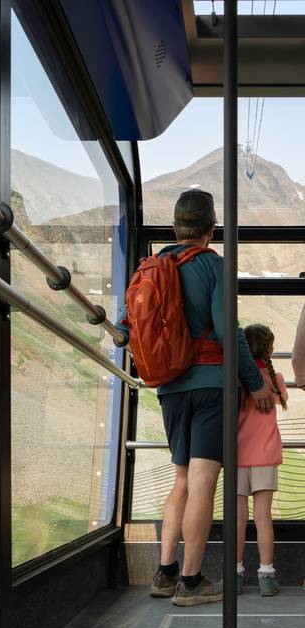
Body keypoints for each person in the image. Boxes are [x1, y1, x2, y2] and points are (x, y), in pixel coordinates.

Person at [115, 189, 275, 606]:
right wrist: (255, 383)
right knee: (205, 479)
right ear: (211, 229)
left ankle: (165, 573)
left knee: (182, 478)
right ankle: (191, 581)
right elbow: (228, 331)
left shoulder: (150, 267)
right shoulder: (213, 265)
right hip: (210, 386)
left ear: (174, 227)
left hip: (169, 388)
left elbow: (126, 326)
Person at [236, 324, 287, 597]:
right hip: (265, 456)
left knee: (238, 518)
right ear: (269, 349)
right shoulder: (274, 378)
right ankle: (266, 577)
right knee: (263, 517)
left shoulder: (237, 377)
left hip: (237, 455)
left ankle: (235, 575)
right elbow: (284, 398)